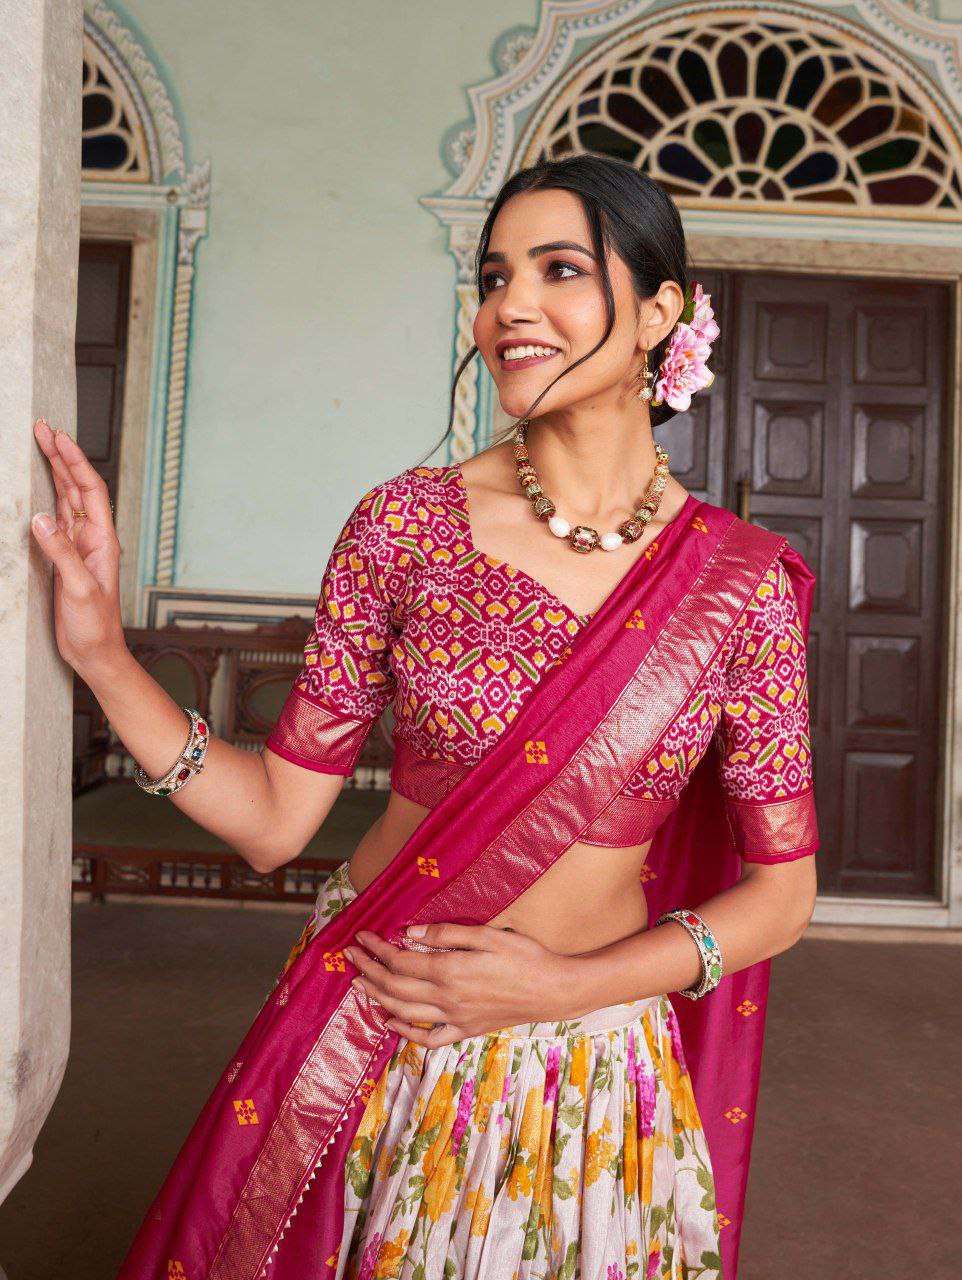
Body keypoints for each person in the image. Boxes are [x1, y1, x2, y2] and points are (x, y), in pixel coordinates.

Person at [31, 155, 818, 1280]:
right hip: (383, 1032)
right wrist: (103, 654)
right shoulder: (406, 526)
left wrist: (562, 987)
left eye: (559, 269)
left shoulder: (739, 584)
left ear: (660, 314)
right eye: (494, 277)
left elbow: (781, 894)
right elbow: (275, 820)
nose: (511, 307)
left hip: (588, 1063)